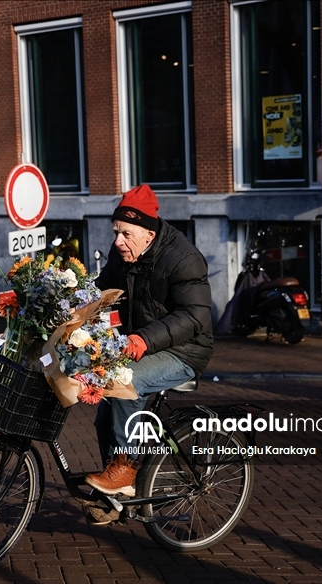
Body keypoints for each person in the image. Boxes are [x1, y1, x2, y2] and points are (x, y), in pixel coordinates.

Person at [85, 184, 214, 517]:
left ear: (148, 233)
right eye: (116, 232)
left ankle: (126, 468)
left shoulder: (182, 258)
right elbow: (104, 292)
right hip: (138, 341)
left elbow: (195, 316)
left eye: (126, 234)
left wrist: (143, 340)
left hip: (184, 350)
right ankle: (119, 491)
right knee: (103, 414)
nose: (117, 241)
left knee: (123, 385)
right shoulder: (122, 252)